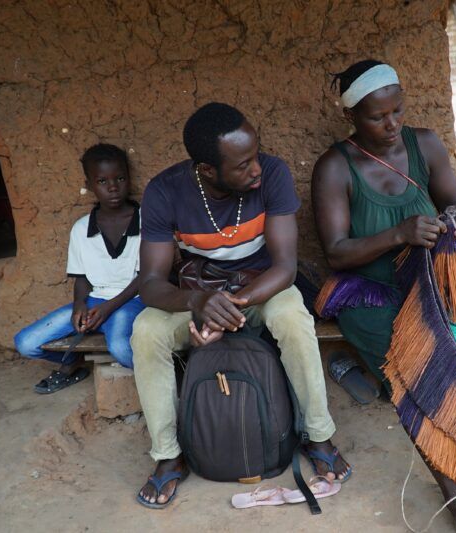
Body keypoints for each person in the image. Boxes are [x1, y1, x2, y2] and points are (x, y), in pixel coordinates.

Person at [311, 60, 456, 532]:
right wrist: (399, 234)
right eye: (377, 116)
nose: (391, 125)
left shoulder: (424, 144)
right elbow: (337, 252)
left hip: (431, 284)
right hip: (368, 294)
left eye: (397, 111)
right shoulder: (335, 168)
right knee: (417, 371)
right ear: (351, 116)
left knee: (451, 362)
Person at [131, 102, 350, 509]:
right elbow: (150, 285)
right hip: (198, 294)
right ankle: (168, 456)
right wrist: (198, 302)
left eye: (255, 155)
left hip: (260, 288)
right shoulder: (165, 191)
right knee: (146, 331)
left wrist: (230, 307)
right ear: (207, 170)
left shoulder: (273, 175)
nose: (256, 170)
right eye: (243, 164)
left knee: (292, 315)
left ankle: (318, 435)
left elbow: (284, 266)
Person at [14, 144, 144, 392]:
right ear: (90, 185)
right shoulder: (81, 229)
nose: (113, 187)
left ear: (129, 178)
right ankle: (73, 363)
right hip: (96, 301)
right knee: (26, 343)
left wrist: (107, 309)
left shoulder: (147, 220)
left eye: (119, 178)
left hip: (133, 300)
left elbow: (146, 277)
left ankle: (172, 375)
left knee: (120, 348)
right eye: (102, 181)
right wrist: (80, 306)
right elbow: (82, 278)